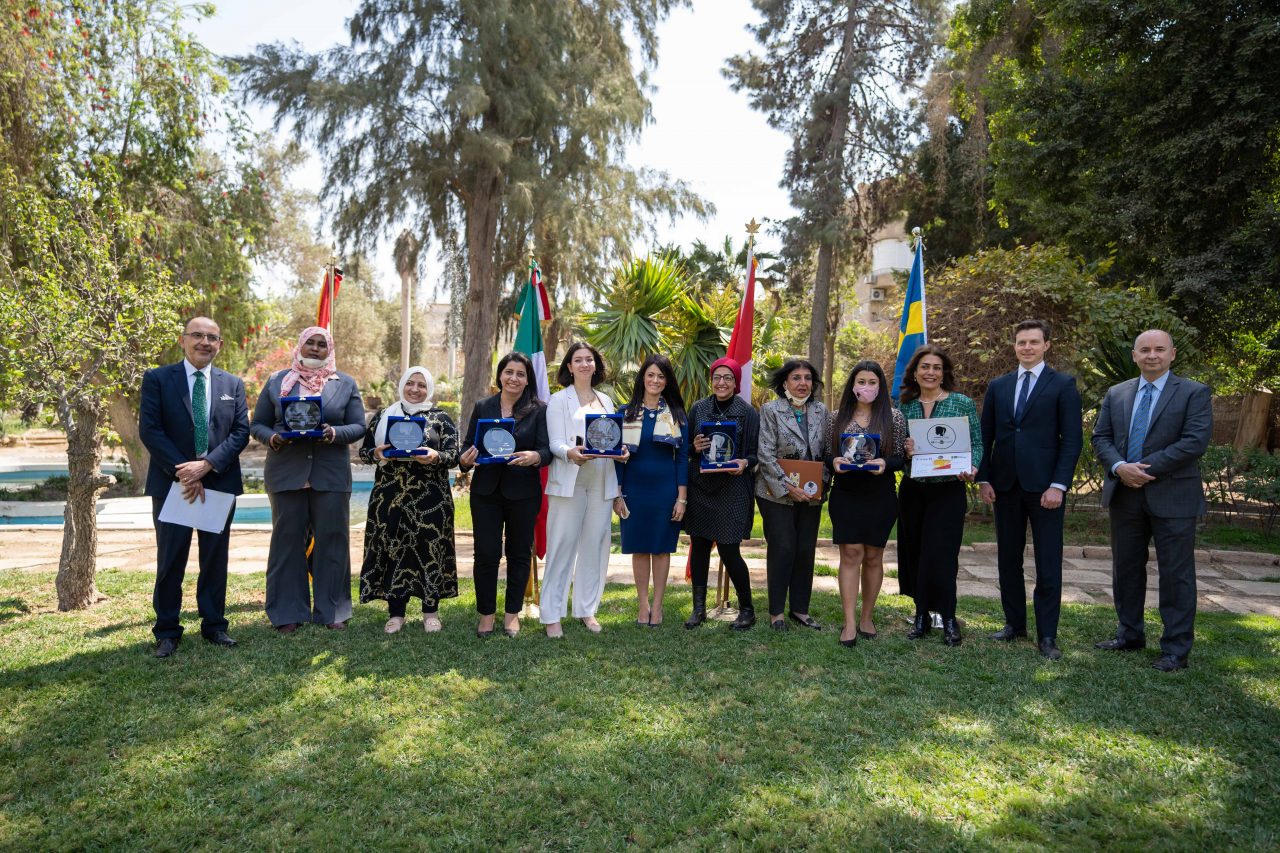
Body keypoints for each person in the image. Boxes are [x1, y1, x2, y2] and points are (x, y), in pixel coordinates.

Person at [1091, 329, 1212, 672]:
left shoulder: (1193, 392)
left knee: (1176, 574)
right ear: (1134, 355)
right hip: (1125, 495)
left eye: (1159, 349)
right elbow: (1101, 437)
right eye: (1145, 350)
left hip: (1173, 496)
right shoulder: (1117, 393)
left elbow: (1194, 442)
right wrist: (1119, 468)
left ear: (1172, 354)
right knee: (1126, 569)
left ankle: (1175, 649)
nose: (1152, 355)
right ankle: (1129, 634)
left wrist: (1142, 469)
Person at [139, 317, 250, 658]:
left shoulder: (233, 383)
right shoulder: (158, 379)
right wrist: (186, 471)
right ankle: (167, 631)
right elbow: (150, 429)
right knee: (171, 560)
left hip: (219, 482)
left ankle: (214, 625)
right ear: (183, 340)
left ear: (220, 345)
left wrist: (207, 465)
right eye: (197, 335)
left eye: (212, 337)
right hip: (172, 483)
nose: (204, 342)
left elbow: (240, 432)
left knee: (215, 560)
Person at [978, 319, 1083, 660]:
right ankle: (1014, 624)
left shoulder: (1063, 385)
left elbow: (1072, 440)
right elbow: (986, 436)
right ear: (1014, 346)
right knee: (1008, 560)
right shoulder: (999, 386)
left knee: (1048, 562)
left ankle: (1047, 635)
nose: (1027, 347)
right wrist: (984, 479)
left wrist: (1058, 485)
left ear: (1046, 345)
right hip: (1005, 486)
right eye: (1021, 342)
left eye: (1033, 342)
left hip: (1045, 490)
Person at [250, 326, 366, 633]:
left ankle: (333, 611)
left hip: (330, 475)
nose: (315, 348)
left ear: (329, 350)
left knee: (333, 542)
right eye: (310, 343)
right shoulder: (277, 381)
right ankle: (287, 613)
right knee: (287, 543)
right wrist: (272, 437)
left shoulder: (345, 383)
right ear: (300, 346)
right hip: (286, 472)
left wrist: (334, 433)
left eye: (321, 344)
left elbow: (358, 426)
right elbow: (258, 424)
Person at [359, 366, 459, 633]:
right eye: (410, 383)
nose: (415, 389)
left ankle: (430, 612)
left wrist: (435, 456)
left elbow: (454, 455)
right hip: (389, 497)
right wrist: (377, 453)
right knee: (393, 549)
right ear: (402, 385)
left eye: (421, 385)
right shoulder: (384, 415)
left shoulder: (441, 418)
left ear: (429, 389)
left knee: (430, 550)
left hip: (430, 499)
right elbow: (365, 452)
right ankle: (396, 613)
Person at [458, 352, 550, 637]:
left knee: (519, 553)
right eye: (509, 372)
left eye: (520, 374)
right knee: (486, 553)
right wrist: (465, 460)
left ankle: (512, 615)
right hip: (485, 492)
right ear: (500, 375)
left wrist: (535, 456)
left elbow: (546, 450)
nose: (514, 378)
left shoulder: (539, 410)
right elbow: (467, 447)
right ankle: (486, 615)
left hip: (523, 492)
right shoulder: (483, 406)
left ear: (528, 380)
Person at [541, 342, 628, 638]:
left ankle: (586, 609)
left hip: (601, 482)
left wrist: (621, 453)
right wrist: (570, 453)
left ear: (595, 365)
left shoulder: (606, 400)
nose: (584, 364)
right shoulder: (558, 400)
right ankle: (552, 614)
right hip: (570, 480)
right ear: (569, 366)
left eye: (589, 359)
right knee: (561, 546)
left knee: (595, 546)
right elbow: (554, 442)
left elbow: (613, 438)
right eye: (577, 360)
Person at [897, 345, 983, 646]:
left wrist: (972, 466)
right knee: (916, 552)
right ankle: (921, 615)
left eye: (936, 367)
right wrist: (905, 450)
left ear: (944, 372)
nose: (930, 372)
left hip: (948, 489)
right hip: (913, 490)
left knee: (943, 555)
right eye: (925, 367)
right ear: (915, 373)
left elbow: (977, 443)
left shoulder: (961, 403)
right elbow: (896, 451)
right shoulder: (904, 407)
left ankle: (948, 618)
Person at [827, 360, 907, 647]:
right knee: (850, 554)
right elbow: (826, 454)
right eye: (861, 382)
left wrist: (885, 463)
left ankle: (866, 617)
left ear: (880, 386)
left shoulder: (894, 418)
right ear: (852, 385)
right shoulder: (836, 417)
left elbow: (900, 457)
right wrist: (834, 461)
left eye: (872, 382)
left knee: (874, 556)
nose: (867, 387)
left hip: (880, 495)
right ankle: (849, 621)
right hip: (846, 494)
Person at [684, 357, 759, 631]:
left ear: (736, 381)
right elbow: (686, 449)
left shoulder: (747, 412)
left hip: (732, 489)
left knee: (729, 549)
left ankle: (747, 610)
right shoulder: (698, 408)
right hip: (701, 487)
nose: (722, 382)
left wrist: (744, 463)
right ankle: (699, 609)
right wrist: (694, 447)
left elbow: (754, 454)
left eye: (728, 377)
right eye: (717, 377)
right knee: (700, 546)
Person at [756, 358, 830, 632]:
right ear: (785, 382)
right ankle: (776, 612)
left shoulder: (821, 411)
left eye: (807, 378)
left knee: (805, 550)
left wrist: (819, 485)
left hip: (811, 494)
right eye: (796, 378)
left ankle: (800, 608)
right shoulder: (770, 410)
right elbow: (765, 454)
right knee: (783, 547)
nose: (803, 383)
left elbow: (827, 452)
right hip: (775, 492)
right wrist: (789, 486)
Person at [614, 354, 689, 627]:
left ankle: (657, 607)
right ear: (642, 378)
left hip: (665, 491)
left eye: (661, 376)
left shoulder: (676, 416)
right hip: (634, 490)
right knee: (639, 548)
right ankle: (642, 604)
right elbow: (617, 458)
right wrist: (617, 494)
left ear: (667, 381)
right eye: (650, 375)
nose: (655, 380)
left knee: (660, 549)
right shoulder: (625, 413)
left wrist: (682, 498)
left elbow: (682, 459)